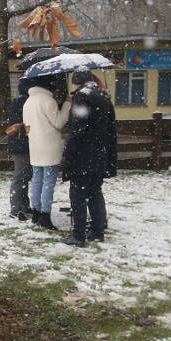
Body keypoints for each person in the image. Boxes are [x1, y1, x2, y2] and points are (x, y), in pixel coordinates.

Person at [59, 66, 117, 247]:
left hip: (83, 156)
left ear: (77, 83)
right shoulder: (103, 97)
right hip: (100, 155)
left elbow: (77, 131)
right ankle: (98, 231)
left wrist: (67, 157)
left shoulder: (81, 97)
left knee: (77, 194)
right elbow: (110, 130)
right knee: (95, 193)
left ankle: (78, 235)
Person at [22, 73, 71, 230]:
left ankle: (36, 212)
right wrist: (67, 105)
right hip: (49, 148)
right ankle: (45, 215)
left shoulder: (28, 101)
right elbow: (59, 122)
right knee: (48, 182)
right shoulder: (47, 100)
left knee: (37, 180)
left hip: (35, 147)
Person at [6, 78, 33, 221]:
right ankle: (16, 208)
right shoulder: (24, 102)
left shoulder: (18, 101)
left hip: (19, 144)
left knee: (23, 176)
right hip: (22, 145)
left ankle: (22, 205)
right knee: (20, 176)